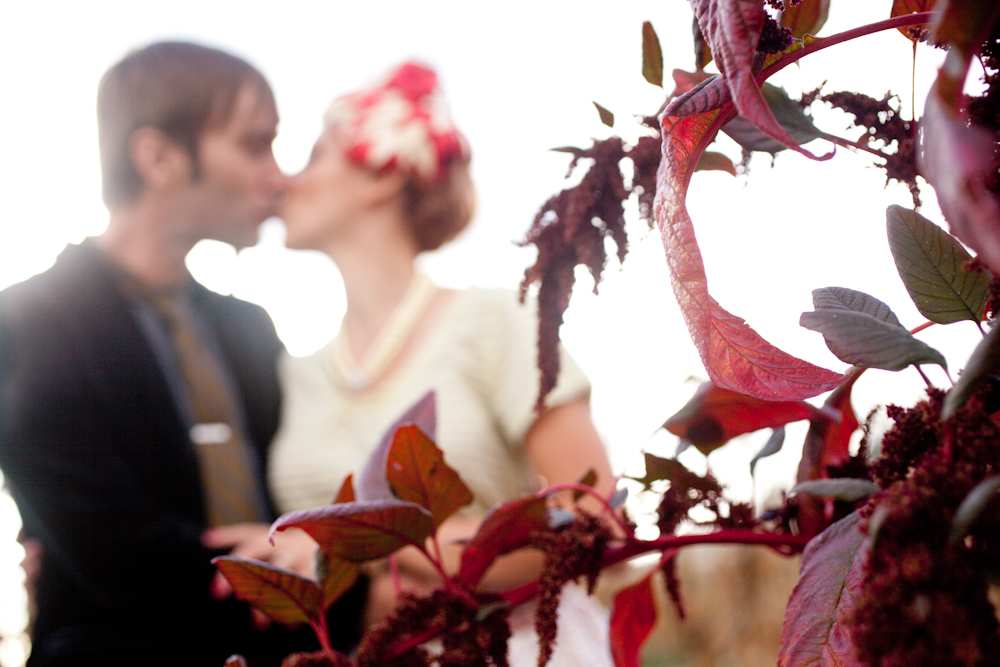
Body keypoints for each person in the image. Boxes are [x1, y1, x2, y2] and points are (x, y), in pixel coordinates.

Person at [0, 42, 344, 667]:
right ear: (158, 157)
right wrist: (321, 586)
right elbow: (114, 552)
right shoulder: (23, 323)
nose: (279, 176)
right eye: (252, 144)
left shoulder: (250, 327)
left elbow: (294, 497)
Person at [266, 61, 616, 666]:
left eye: (315, 156)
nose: (285, 182)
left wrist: (357, 550)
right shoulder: (293, 374)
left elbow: (593, 516)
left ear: (379, 176)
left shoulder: (492, 322)